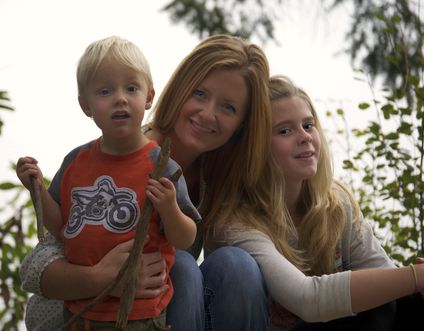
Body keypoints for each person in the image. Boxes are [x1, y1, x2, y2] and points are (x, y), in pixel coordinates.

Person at [19, 34, 272, 331]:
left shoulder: (220, 181)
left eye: (228, 108)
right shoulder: (115, 154)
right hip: (79, 313)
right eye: (200, 94)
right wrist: (105, 277)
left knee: (236, 266)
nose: (207, 113)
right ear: (179, 89)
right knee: (183, 268)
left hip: (156, 312)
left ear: (242, 122)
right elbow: (34, 269)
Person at [205, 75, 424, 331]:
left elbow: (386, 277)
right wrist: (416, 276)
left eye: (308, 125)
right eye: (284, 130)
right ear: (255, 148)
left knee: (411, 302)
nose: (304, 137)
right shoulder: (235, 221)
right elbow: (308, 299)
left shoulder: (336, 202)